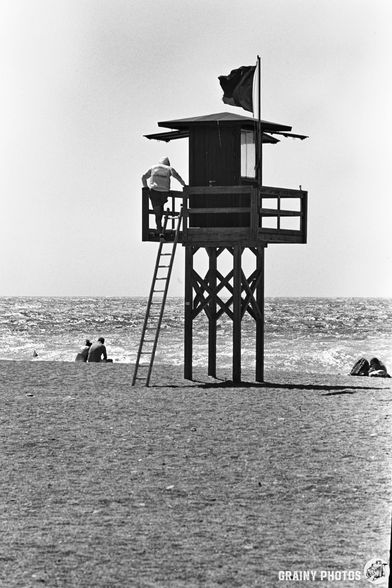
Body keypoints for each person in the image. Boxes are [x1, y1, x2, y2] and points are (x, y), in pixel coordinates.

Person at [141, 157, 186, 238]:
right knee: (161, 209)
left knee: (157, 213)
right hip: (164, 192)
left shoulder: (153, 167)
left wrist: (146, 188)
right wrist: (183, 184)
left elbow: (143, 178)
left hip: (154, 191)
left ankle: (159, 230)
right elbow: (176, 175)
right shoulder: (169, 168)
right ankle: (160, 229)